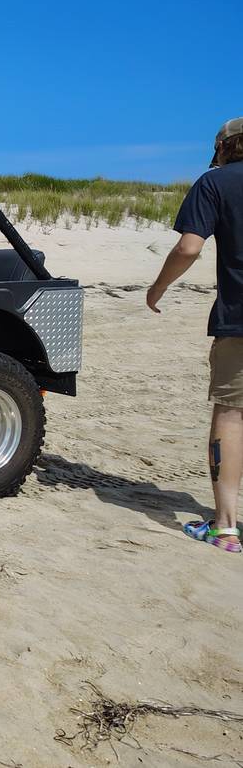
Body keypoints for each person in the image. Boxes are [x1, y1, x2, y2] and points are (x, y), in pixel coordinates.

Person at [148, 117, 243, 553]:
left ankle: (225, 527)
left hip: (239, 319)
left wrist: (159, 287)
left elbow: (189, 247)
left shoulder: (216, 182)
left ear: (224, 147)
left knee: (232, 414)